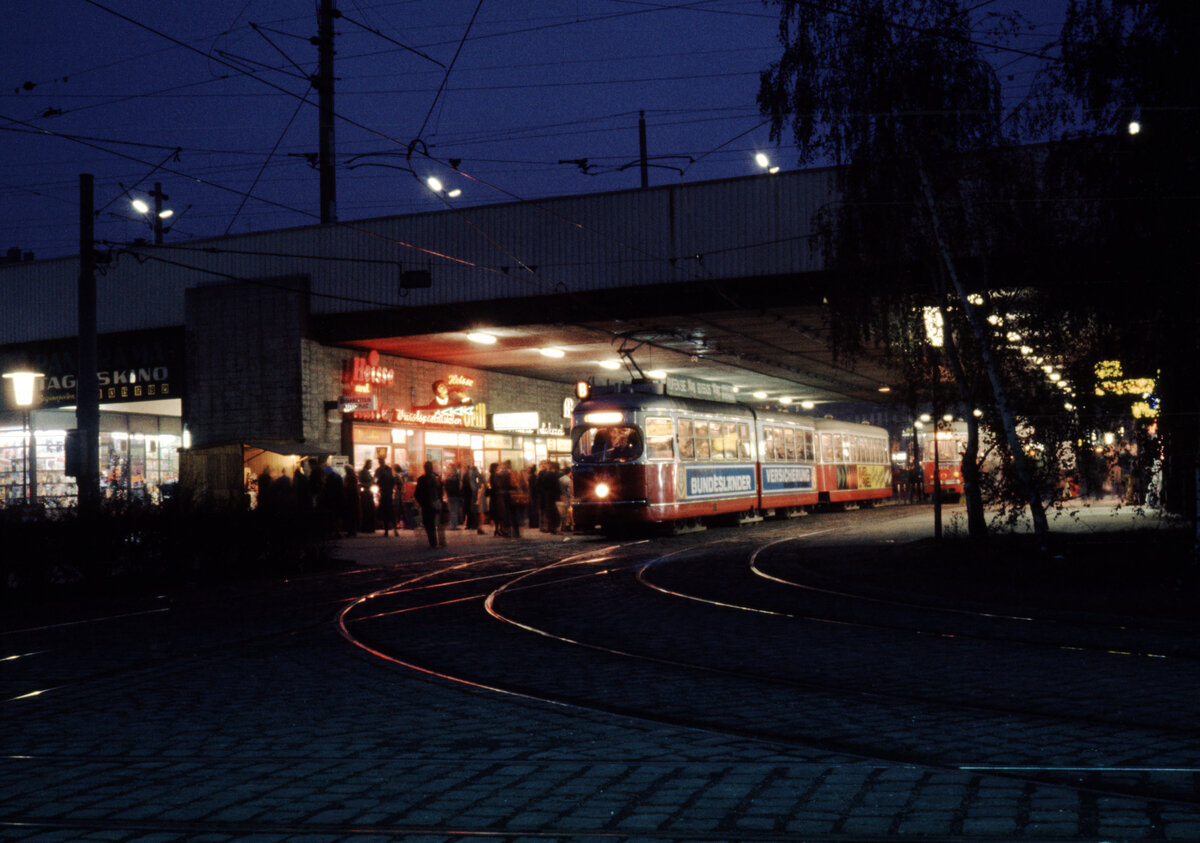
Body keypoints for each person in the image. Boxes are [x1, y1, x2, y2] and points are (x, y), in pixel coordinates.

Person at [415, 461, 447, 548]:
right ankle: (440, 541)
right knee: (437, 523)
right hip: (434, 503)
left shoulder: (422, 479)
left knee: (429, 523)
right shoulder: (436, 479)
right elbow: (440, 491)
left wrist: (421, 502)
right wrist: (439, 500)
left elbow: (417, 494)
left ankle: (433, 542)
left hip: (427, 505)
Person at [536, 461, 561, 533]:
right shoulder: (553, 474)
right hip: (552, 495)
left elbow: (539, 485)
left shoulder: (544, 474)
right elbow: (557, 486)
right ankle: (553, 528)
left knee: (548, 512)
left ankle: (549, 527)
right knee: (552, 511)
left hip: (546, 495)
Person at [374, 461, 398, 536]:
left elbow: (377, 483)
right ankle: (395, 530)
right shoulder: (391, 476)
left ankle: (386, 530)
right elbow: (394, 483)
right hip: (389, 496)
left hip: (384, 496)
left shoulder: (383, 475)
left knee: (385, 513)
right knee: (391, 513)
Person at [487, 462, 508, 537]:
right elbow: (497, 485)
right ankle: (501, 529)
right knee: (501, 513)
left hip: (494, 497)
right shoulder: (495, 476)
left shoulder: (491, 475)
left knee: (496, 514)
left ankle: (497, 529)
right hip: (498, 496)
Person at [358, 459, 376, 533]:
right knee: (368, 510)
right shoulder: (364, 472)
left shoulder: (365, 472)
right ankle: (367, 527)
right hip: (366, 493)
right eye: (370, 464)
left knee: (368, 510)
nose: (371, 465)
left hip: (368, 493)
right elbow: (363, 482)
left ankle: (368, 527)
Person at [343, 465, 360, 536]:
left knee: (350, 515)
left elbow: (348, 486)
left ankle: (351, 531)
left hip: (350, 498)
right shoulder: (353, 477)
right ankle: (353, 531)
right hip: (354, 498)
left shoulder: (349, 477)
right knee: (353, 515)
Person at [444, 463, 463, 529]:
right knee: (454, 511)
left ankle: (453, 525)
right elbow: (459, 487)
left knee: (452, 511)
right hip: (455, 496)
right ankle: (454, 525)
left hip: (451, 496)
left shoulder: (448, 478)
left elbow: (446, 487)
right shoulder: (456, 478)